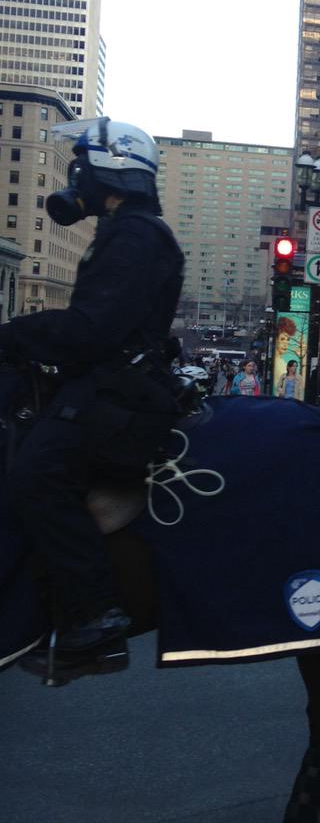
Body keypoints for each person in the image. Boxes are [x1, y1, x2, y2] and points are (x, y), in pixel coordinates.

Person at [0, 117, 184, 667]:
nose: (75, 174)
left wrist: (11, 335)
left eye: (81, 162)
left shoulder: (134, 235)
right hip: (110, 382)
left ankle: (93, 616)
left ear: (109, 168)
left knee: (36, 474)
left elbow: (92, 330)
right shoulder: (128, 231)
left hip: (116, 393)